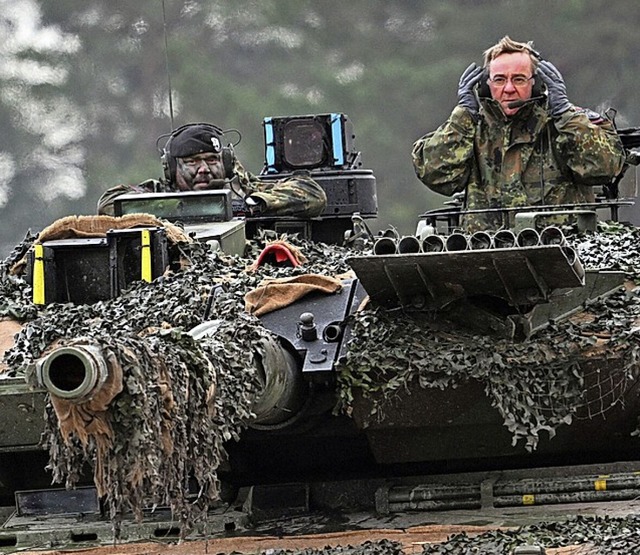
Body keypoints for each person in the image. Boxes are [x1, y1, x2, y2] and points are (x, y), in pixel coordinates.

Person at [412, 36, 626, 232]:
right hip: (485, 256)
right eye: (499, 80)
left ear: (537, 84)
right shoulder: (470, 129)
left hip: (561, 254)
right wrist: (462, 115)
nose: (508, 89)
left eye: (519, 79)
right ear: (486, 86)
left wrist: (565, 114)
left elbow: (602, 168)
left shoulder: (564, 125)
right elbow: (436, 174)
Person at [97, 122, 327, 218]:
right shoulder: (156, 192)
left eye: (212, 159)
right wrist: (175, 209)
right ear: (172, 168)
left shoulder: (243, 190)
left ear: (225, 162)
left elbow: (312, 193)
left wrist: (251, 205)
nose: (204, 169)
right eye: (192, 162)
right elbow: (109, 203)